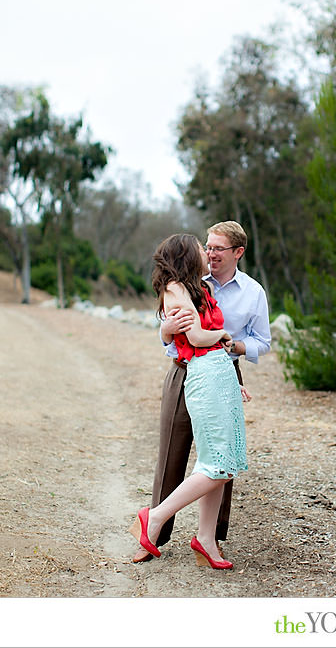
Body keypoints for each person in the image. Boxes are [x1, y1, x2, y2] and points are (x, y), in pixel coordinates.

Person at [132, 221, 271, 563]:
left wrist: (232, 345)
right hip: (185, 372)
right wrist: (165, 329)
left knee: (221, 459)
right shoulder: (188, 282)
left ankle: (209, 537)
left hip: (223, 369)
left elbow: (262, 342)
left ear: (238, 252)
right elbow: (175, 331)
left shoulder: (253, 292)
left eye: (218, 248)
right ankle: (154, 534)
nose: (210, 253)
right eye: (207, 246)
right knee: (172, 455)